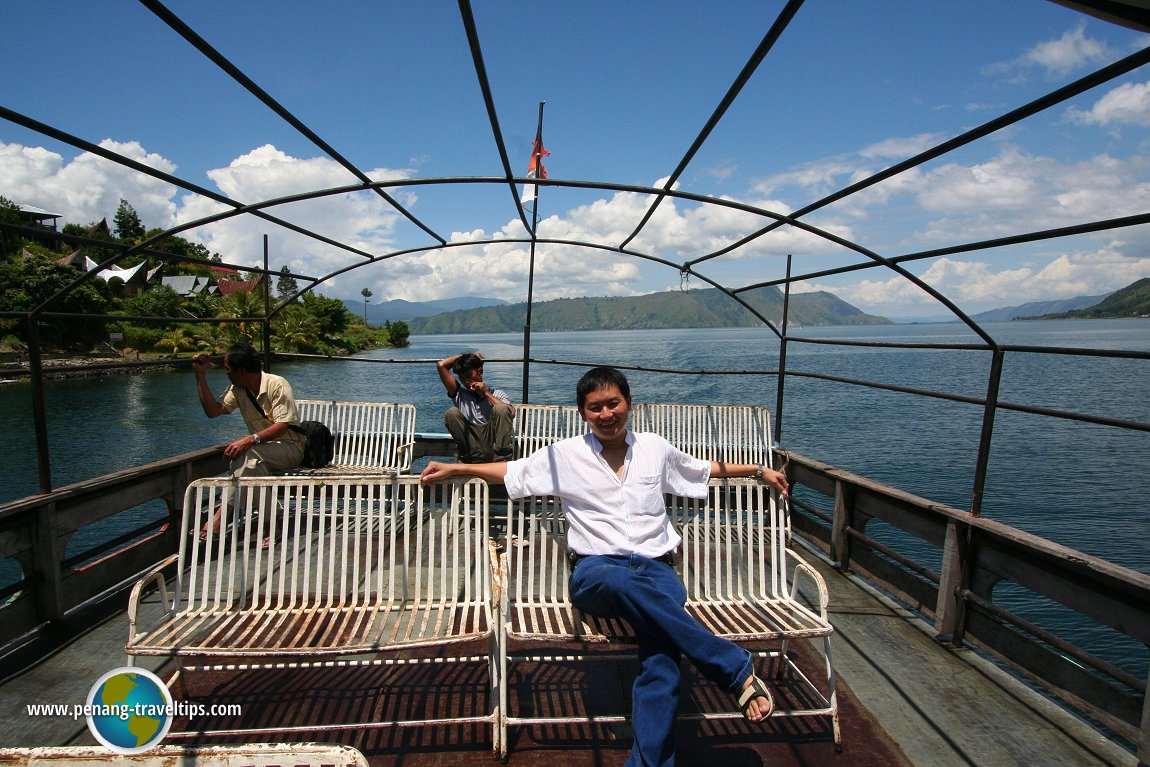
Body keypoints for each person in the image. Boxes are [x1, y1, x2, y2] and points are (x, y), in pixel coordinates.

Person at [421, 366, 785, 767]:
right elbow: (512, 471)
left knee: (661, 658)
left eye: (614, 403)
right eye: (595, 407)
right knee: (629, 588)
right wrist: (458, 468)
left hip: (657, 568)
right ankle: (734, 669)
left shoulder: (655, 448)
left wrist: (756, 470)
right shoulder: (566, 456)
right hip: (597, 572)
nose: (606, 414)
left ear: (629, 404)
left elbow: (701, 470)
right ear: (583, 413)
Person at [436, 351, 516, 462]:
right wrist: (469, 356)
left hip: (493, 444)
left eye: (469, 376)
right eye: (462, 379)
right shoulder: (460, 395)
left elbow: (511, 412)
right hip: (472, 449)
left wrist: (486, 393)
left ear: (480, 371)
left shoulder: (497, 394)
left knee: (501, 408)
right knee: (451, 413)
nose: (467, 382)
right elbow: (441, 365)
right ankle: (475, 460)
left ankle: (501, 459)